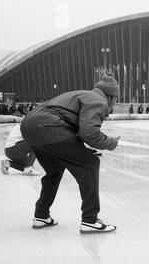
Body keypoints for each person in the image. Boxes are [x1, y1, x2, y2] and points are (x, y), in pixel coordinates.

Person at [20, 73, 120, 234]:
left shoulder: (82, 94)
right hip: (50, 126)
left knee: (54, 171)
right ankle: (90, 219)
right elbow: (89, 133)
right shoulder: (98, 100)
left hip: (29, 126)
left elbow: (78, 131)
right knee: (90, 164)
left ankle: (41, 215)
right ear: (112, 97)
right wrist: (110, 142)